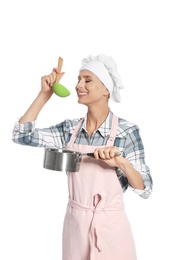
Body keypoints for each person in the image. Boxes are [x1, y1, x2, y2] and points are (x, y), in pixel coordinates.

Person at [12, 54, 153, 260]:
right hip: (75, 229)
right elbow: (21, 136)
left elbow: (145, 188)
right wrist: (44, 95)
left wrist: (121, 162)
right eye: (78, 79)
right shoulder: (69, 129)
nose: (79, 85)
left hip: (112, 230)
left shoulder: (127, 131)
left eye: (87, 80)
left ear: (106, 89)